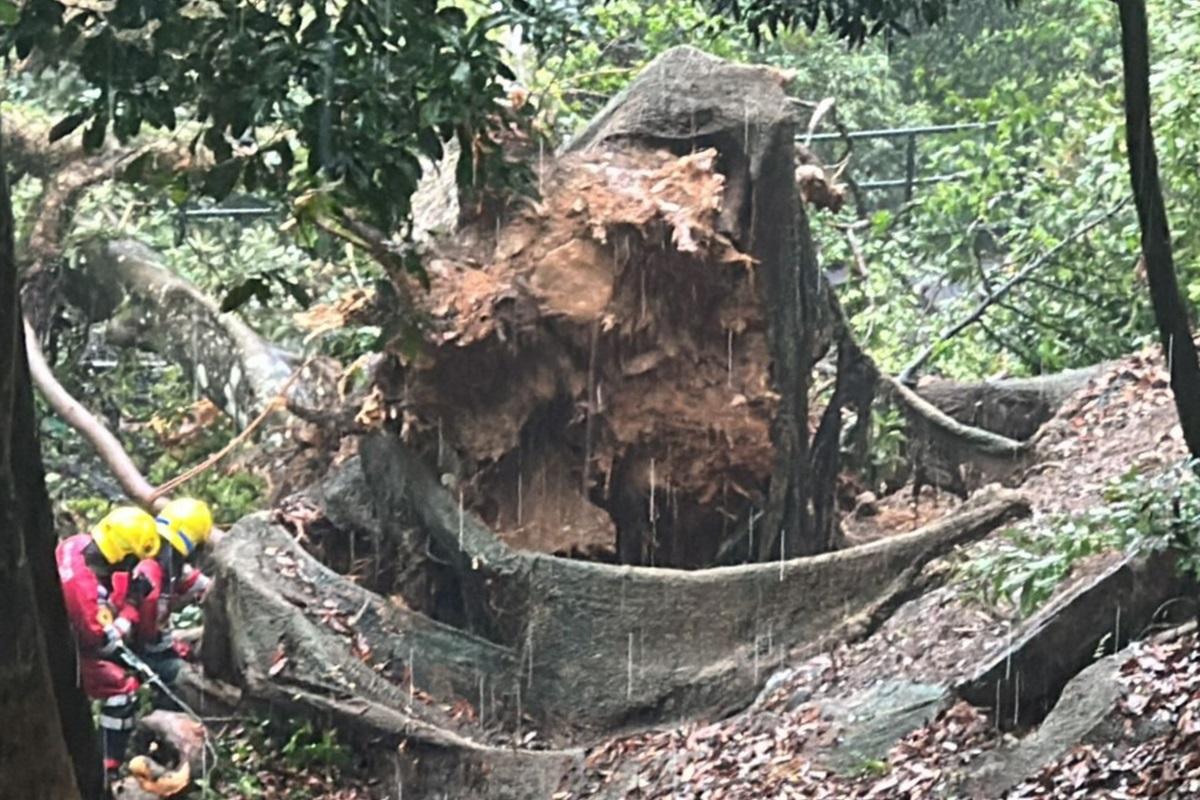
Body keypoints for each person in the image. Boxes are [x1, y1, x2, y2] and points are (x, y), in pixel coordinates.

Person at [56, 505, 161, 780]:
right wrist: (132, 608)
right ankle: (107, 766)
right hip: (70, 650)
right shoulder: (82, 592)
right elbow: (102, 643)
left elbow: (105, 595)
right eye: (131, 561)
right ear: (121, 555)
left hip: (68, 630)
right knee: (122, 690)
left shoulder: (76, 545)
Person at [132, 497, 215, 685]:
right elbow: (149, 635)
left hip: (144, 642)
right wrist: (176, 648)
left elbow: (197, 582)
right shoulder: (150, 575)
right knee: (184, 675)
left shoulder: (166, 562)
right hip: (135, 653)